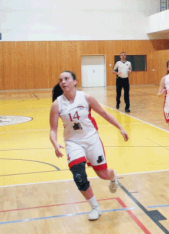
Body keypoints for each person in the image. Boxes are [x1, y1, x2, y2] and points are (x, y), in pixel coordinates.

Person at [49, 71, 129, 221]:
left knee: (102, 174)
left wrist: (120, 127)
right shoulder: (57, 104)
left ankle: (113, 176)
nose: (63, 82)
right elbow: (53, 130)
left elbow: (104, 113)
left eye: (66, 79)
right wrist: (55, 143)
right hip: (73, 142)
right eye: (60, 80)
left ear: (75, 81)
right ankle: (95, 207)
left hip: (91, 140)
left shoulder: (86, 98)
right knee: (79, 176)